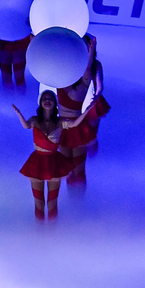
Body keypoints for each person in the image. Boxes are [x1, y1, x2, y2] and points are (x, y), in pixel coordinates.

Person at [12, 93, 92, 220]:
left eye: (50, 99)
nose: (47, 101)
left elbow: (74, 124)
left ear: (55, 103)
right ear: (40, 102)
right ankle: (40, 232)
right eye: (45, 99)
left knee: (52, 202)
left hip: (54, 162)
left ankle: (52, 233)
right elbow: (27, 126)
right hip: (37, 162)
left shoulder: (59, 121)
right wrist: (18, 113)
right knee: (39, 203)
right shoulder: (35, 120)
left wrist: (86, 111)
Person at [57, 35, 98, 188]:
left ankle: (79, 203)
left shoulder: (83, 83)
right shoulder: (60, 78)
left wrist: (91, 50)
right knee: (67, 168)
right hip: (62, 127)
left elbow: (87, 69)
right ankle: (73, 204)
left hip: (78, 129)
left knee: (78, 169)